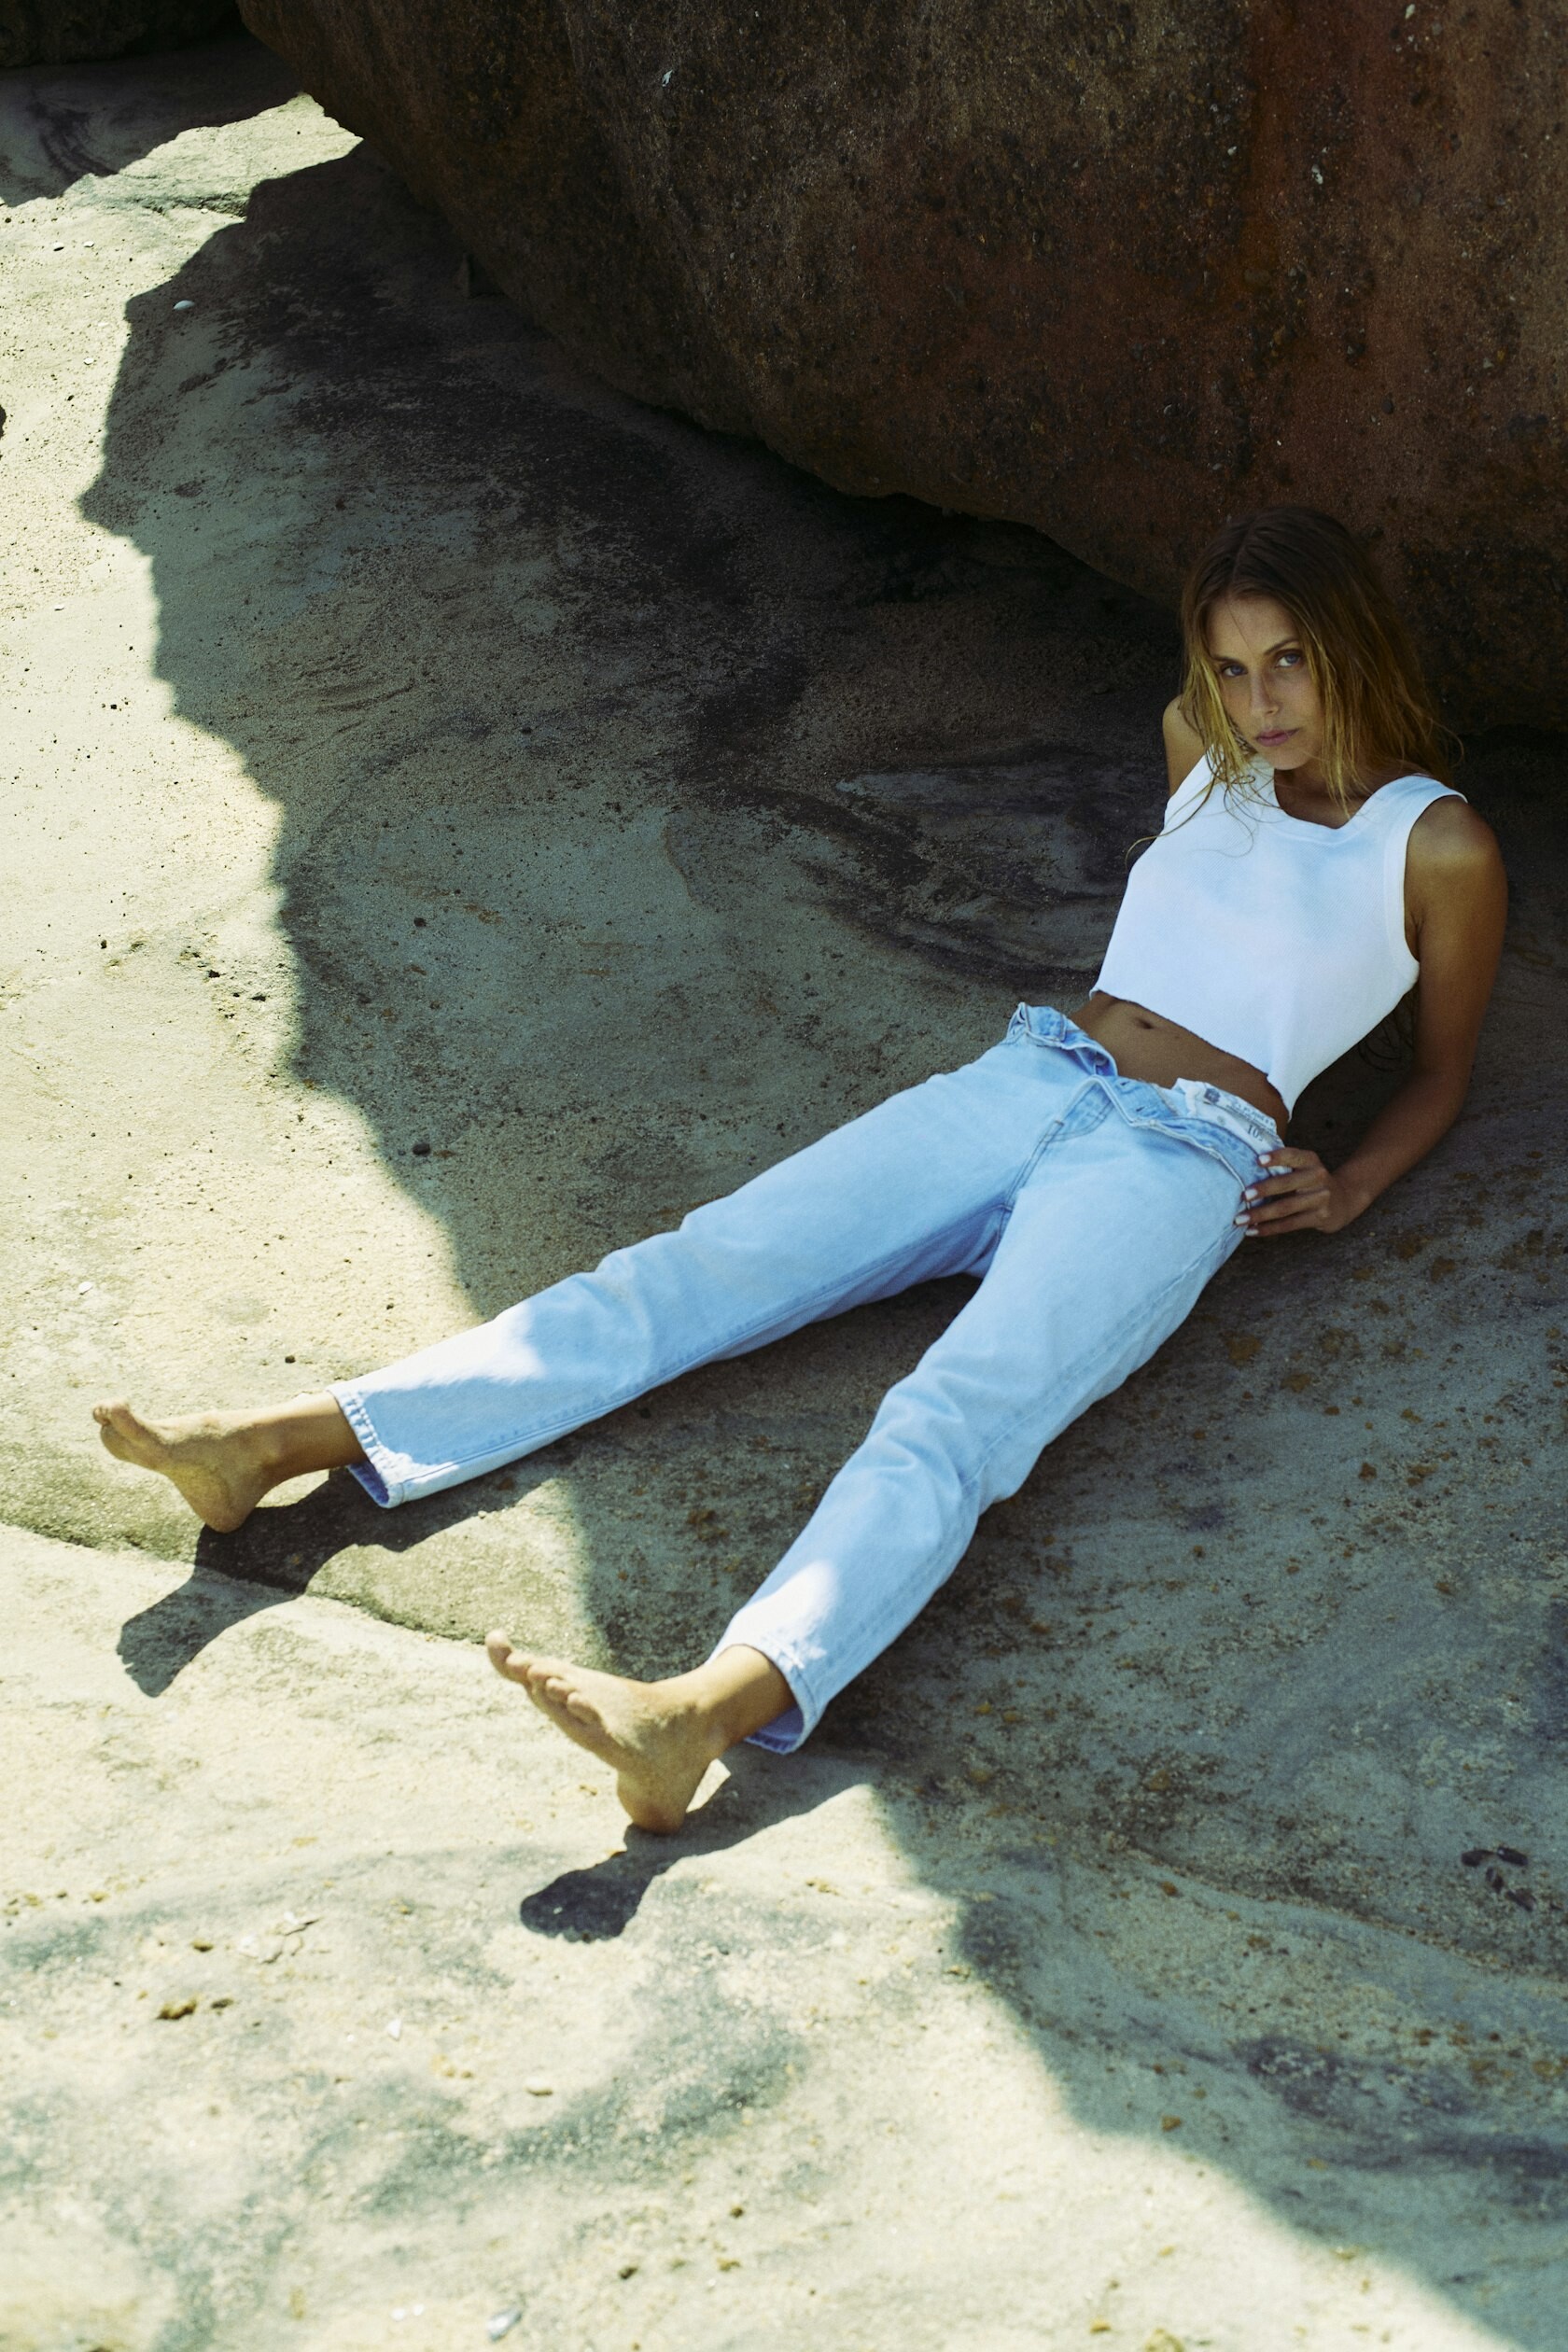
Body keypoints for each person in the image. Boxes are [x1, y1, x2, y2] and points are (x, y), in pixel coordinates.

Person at [95, 507, 1507, 1832]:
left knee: (954, 1418)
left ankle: (697, 1714)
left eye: (1290, 661)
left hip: (1184, 1156)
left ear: (1349, 643)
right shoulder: (1200, 748)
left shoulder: (1437, 844)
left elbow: (1442, 1070)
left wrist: (1352, 1186)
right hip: (1037, 1072)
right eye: (1232, 667)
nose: (1259, 701)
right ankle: (280, 1443)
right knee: (706, 1263)